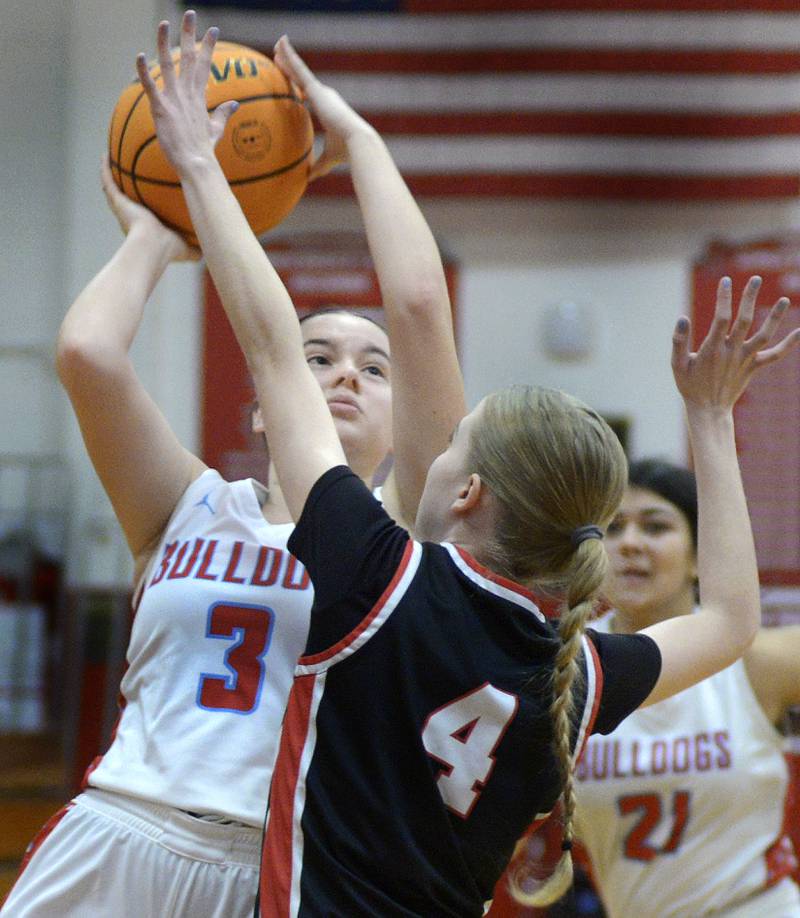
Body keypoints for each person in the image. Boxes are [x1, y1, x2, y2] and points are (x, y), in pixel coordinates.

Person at [131, 13, 800, 916]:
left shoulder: (379, 578)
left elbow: (277, 347)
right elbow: (728, 619)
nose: (429, 441)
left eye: (448, 443)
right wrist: (712, 422)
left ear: (470, 489)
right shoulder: (570, 670)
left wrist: (208, 166)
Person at [0, 23, 464, 918]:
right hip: (119, 826)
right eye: (317, 355)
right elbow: (89, 353)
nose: (342, 376)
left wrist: (361, 140)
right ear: (261, 408)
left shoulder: (402, 534)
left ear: (403, 416)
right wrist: (156, 229)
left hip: (272, 861)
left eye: (373, 368)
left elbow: (416, 303)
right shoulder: (188, 503)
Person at [569, 457, 800, 917]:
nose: (630, 543)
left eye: (655, 527)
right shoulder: (567, 670)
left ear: (700, 557)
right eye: (612, 529)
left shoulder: (754, 660)